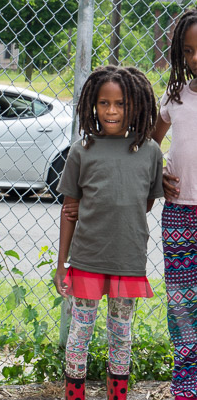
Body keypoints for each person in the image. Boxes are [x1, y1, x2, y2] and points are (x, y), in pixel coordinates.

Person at [53, 66, 163, 400]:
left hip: (127, 260)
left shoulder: (150, 152)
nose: (111, 111)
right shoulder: (81, 151)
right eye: (104, 103)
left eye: (120, 103)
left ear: (136, 105)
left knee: (121, 334)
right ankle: (75, 395)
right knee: (79, 333)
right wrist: (62, 264)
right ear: (93, 105)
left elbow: (142, 203)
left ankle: (118, 396)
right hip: (86, 259)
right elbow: (69, 210)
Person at [152, 8, 197, 400]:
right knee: (182, 302)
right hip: (180, 212)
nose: (196, 57)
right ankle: (186, 383)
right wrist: (158, 175)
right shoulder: (175, 95)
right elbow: (152, 142)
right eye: (188, 51)